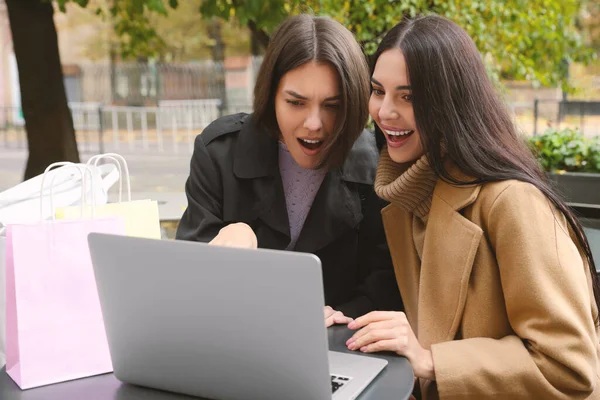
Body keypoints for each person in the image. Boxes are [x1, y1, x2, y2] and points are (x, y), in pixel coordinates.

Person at [345, 14, 600, 399]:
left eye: (409, 96)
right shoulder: (407, 202)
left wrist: (432, 360)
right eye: (378, 91)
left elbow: (570, 366)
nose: (384, 112)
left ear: (450, 103)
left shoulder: (512, 201)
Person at [176, 14, 402, 326]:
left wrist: (341, 317)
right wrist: (237, 236)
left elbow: (385, 287)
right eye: (296, 103)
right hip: (233, 336)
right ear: (271, 97)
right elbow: (189, 277)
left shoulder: (380, 168)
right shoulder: (219, 153)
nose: (314, 124)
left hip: (339, 349)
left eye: (332, 106)